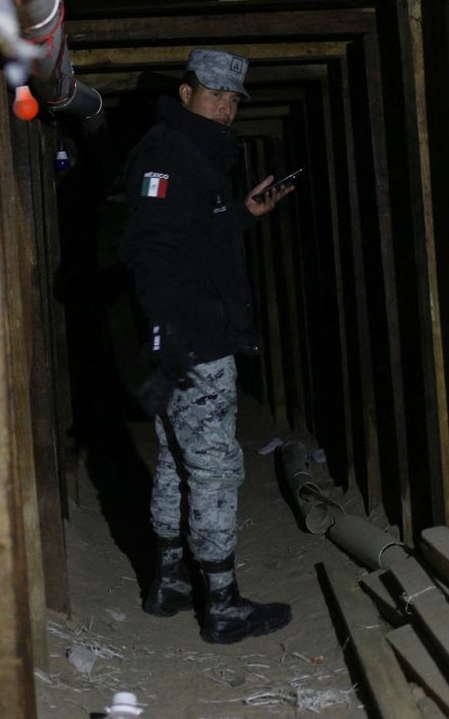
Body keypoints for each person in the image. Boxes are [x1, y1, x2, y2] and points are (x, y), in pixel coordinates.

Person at [119, 48, 296, 644]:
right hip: (193, 340)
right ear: (187, 91)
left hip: (181, 336)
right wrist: (172, 335)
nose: (225, 107)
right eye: (214, 94)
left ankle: (170, 583)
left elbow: (191, 236)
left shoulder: (194, 152)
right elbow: (151, 249)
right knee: (215, 470)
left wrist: (243, 214)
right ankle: (222, 605)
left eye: (233, 99)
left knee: (176, 461)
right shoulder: (169, 152)